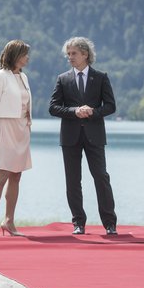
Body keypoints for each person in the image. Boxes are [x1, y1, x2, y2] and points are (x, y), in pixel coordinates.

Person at [49, 36, 118, 236]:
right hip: (70, 137)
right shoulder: (63, 79)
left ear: (85, 54)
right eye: (68, 54)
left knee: (101, 177)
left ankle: (110, 224)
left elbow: (111, 106)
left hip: (94, 136)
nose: (69, 57)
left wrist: (92, 112)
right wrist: (74, 111)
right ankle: (78, 223)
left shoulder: (101, 77)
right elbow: (53, 108)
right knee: (73, 181)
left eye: (73, 54)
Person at [0, 40, 32, 238]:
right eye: (24, 54)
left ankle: (9, 221)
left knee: (17, 175)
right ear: (14, 55)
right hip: (5, 126)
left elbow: (25, 103)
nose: (28, 58)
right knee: (2, 174)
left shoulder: (24, 77)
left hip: (22, 127)